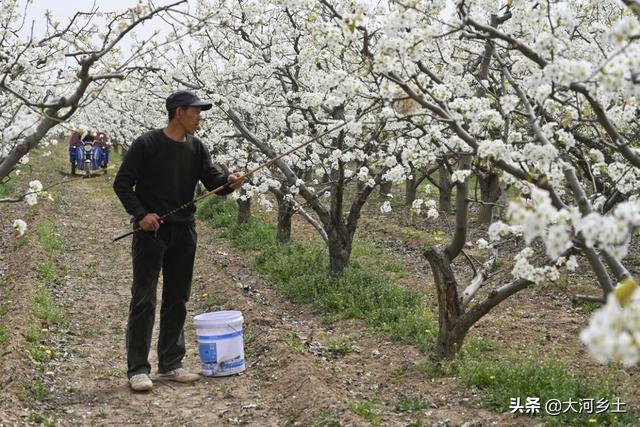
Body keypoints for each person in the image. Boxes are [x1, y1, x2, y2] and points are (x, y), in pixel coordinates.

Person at [113, 90, 244, 392]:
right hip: (151, 233)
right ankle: (137, 369)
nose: (200, 118)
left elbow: (213, 182)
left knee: (177, 298)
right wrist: (141, 214)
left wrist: (229, 182)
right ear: (179, 112)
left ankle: (170, 364)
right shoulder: (147, 144)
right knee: (144, 299)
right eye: (196, 112)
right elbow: (122, 183)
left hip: (184, 232)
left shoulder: (197, 148)